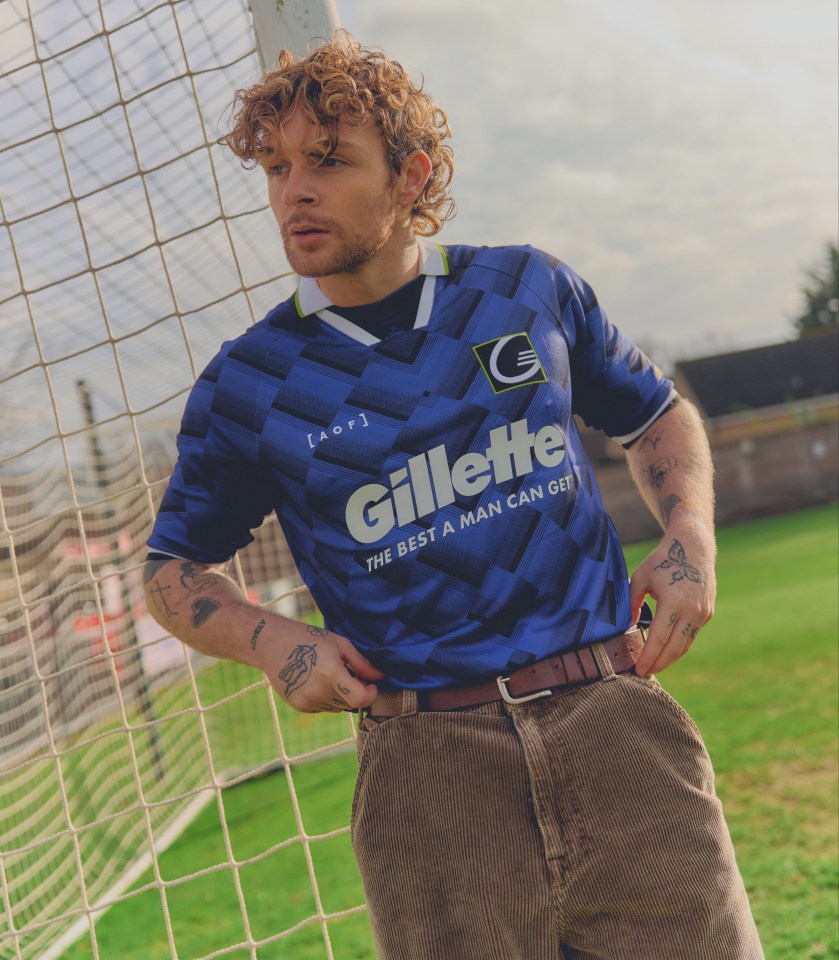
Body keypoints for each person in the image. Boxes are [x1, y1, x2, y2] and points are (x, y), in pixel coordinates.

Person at [144, 31, 764, 960]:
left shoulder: (526, 289)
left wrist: (690, 540)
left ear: (410, 175)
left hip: (612, 722)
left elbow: (655, 414)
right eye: (274, 169)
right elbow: (172, 567)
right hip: (425, 773)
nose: (292, 192)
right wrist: (274, 641)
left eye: (327, 161)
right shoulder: (250, 381)